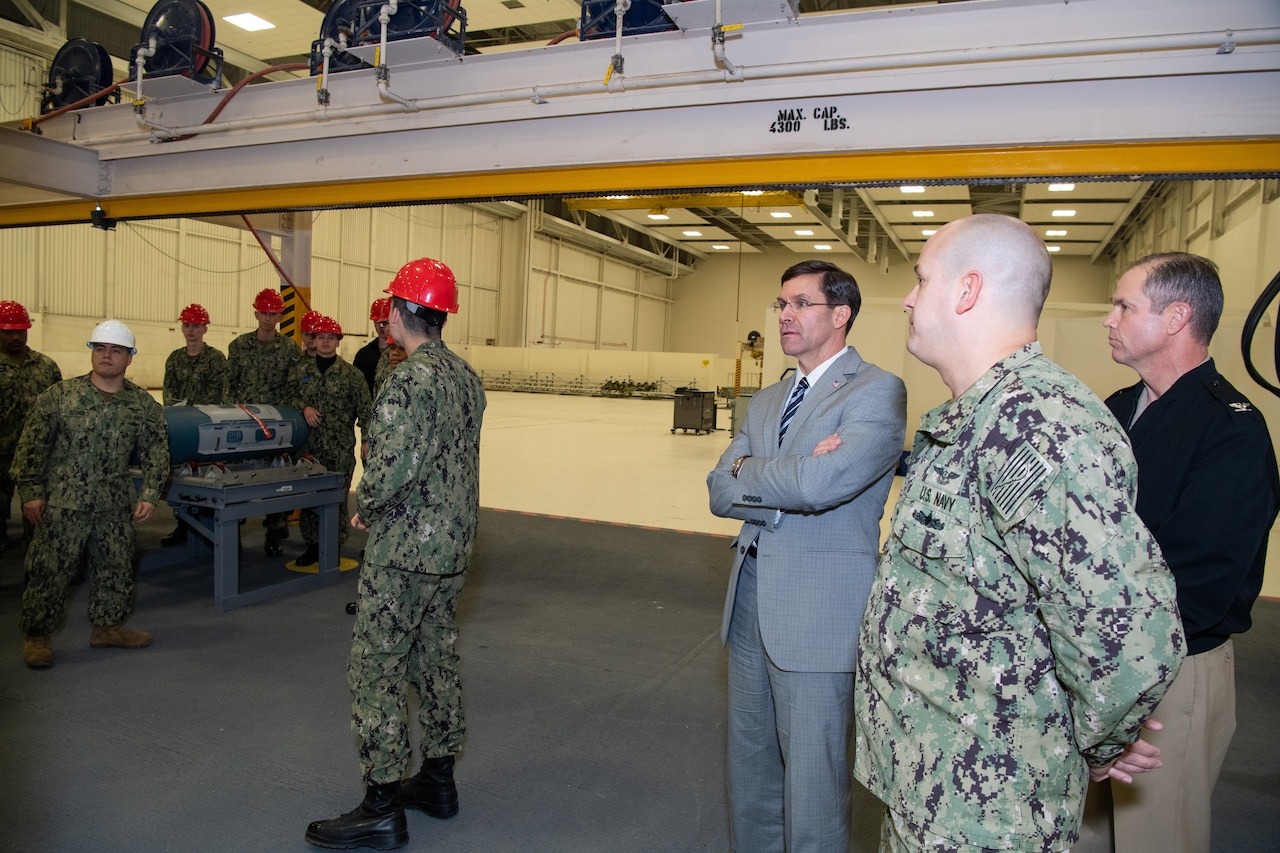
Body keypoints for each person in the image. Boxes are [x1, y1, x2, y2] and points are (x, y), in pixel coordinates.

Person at [853, 213, 1186, 853]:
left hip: (990, 809)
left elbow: (1127, 632)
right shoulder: (976, 418)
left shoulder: (1037, 426)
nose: (909, 297)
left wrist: (1099, 742)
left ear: (967, 291)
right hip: (928, 784)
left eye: (923, 279)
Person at [1074, 253, 1280, 853]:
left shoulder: (1231, 431)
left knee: (1154, 836)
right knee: (1085, 833)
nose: (1109, 319)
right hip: (1094, 656)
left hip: (1171, 666)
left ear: (1176, 317)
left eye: (1124, 306)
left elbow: (1203, 581)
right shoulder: (1114, 410)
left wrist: (1119, 668)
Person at [706, 259, 907, 853]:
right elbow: (720, 488)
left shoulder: (877, 391)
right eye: (781, 305)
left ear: (840, 314)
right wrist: (783, 476)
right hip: (749, 608)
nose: (785, 316)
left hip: (818, 616)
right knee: (751, 772)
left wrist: (755, 474)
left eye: (800, 304)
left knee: (814, 788)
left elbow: (824, 485)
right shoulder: (767, 400)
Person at [306, 258, 485, 851]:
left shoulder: (407, 380)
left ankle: (381, 804)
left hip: (405, 551)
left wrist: (367, 505)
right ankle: (437, 780)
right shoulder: (465, 376)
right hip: (451, 548)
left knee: (377, 668)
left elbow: (392, 468)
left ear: (401, 314)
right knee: (435, 658)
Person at [14, 320, 169, 668]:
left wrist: (149, 493)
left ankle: (108, 628)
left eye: (115, 351)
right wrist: (31, 492)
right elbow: (32, 446)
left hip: (114, 504)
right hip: (63, 504)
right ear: (92, 353)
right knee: (49, 571)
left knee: (114, 568)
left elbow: (156, 453)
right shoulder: (59, 397)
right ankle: (38, 635)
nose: (106, 356)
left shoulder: (142, 406)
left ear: (129, 358)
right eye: (100, 349)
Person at [227, 287, 303, 556]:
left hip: (275, 426)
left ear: (280, 315)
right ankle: (232, 530)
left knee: (276, 479)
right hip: (244, 425)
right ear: (256, 312)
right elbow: (229, 385)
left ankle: (274, 531)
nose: (268, 318)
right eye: (264, 313)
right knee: (239, 478)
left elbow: (295, 388)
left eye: (273, 313)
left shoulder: (290, 349)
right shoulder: (238, 347)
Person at [293, 315, 371, 567]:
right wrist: (303, 406)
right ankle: (312, 545)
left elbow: (366, 410)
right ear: (313, 340)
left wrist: (366, 440)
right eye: (320, 337)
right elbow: (286, 397)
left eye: (330, 337)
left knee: (336, 498)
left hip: (338, 448)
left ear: (338, 341)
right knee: (308, 497)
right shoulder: (300, 372)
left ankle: (333, 544)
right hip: (308, 447)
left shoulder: (351, 375)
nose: (325, 342)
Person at [0, 300, 62, 553]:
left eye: (20, 331)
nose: (16, 337)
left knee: (37, 515)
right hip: (1, 454)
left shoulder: (45, 366)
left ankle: (35, 557)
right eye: (8, 332)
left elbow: (59, 409)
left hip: (36, 457)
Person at [353, 296, 392, 395]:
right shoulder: (363, 355)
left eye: (385, 322)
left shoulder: (403, 353)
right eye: (378, 323)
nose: (382, 327)